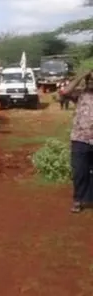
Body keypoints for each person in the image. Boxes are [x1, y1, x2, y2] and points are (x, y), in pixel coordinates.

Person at [61, 70, 93, 213]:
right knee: (80, 171)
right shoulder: (80, 94)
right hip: (80, 139)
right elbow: (65, 92)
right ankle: (78, 200)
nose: (92, 82)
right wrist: (81, 76)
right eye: (90, 80)